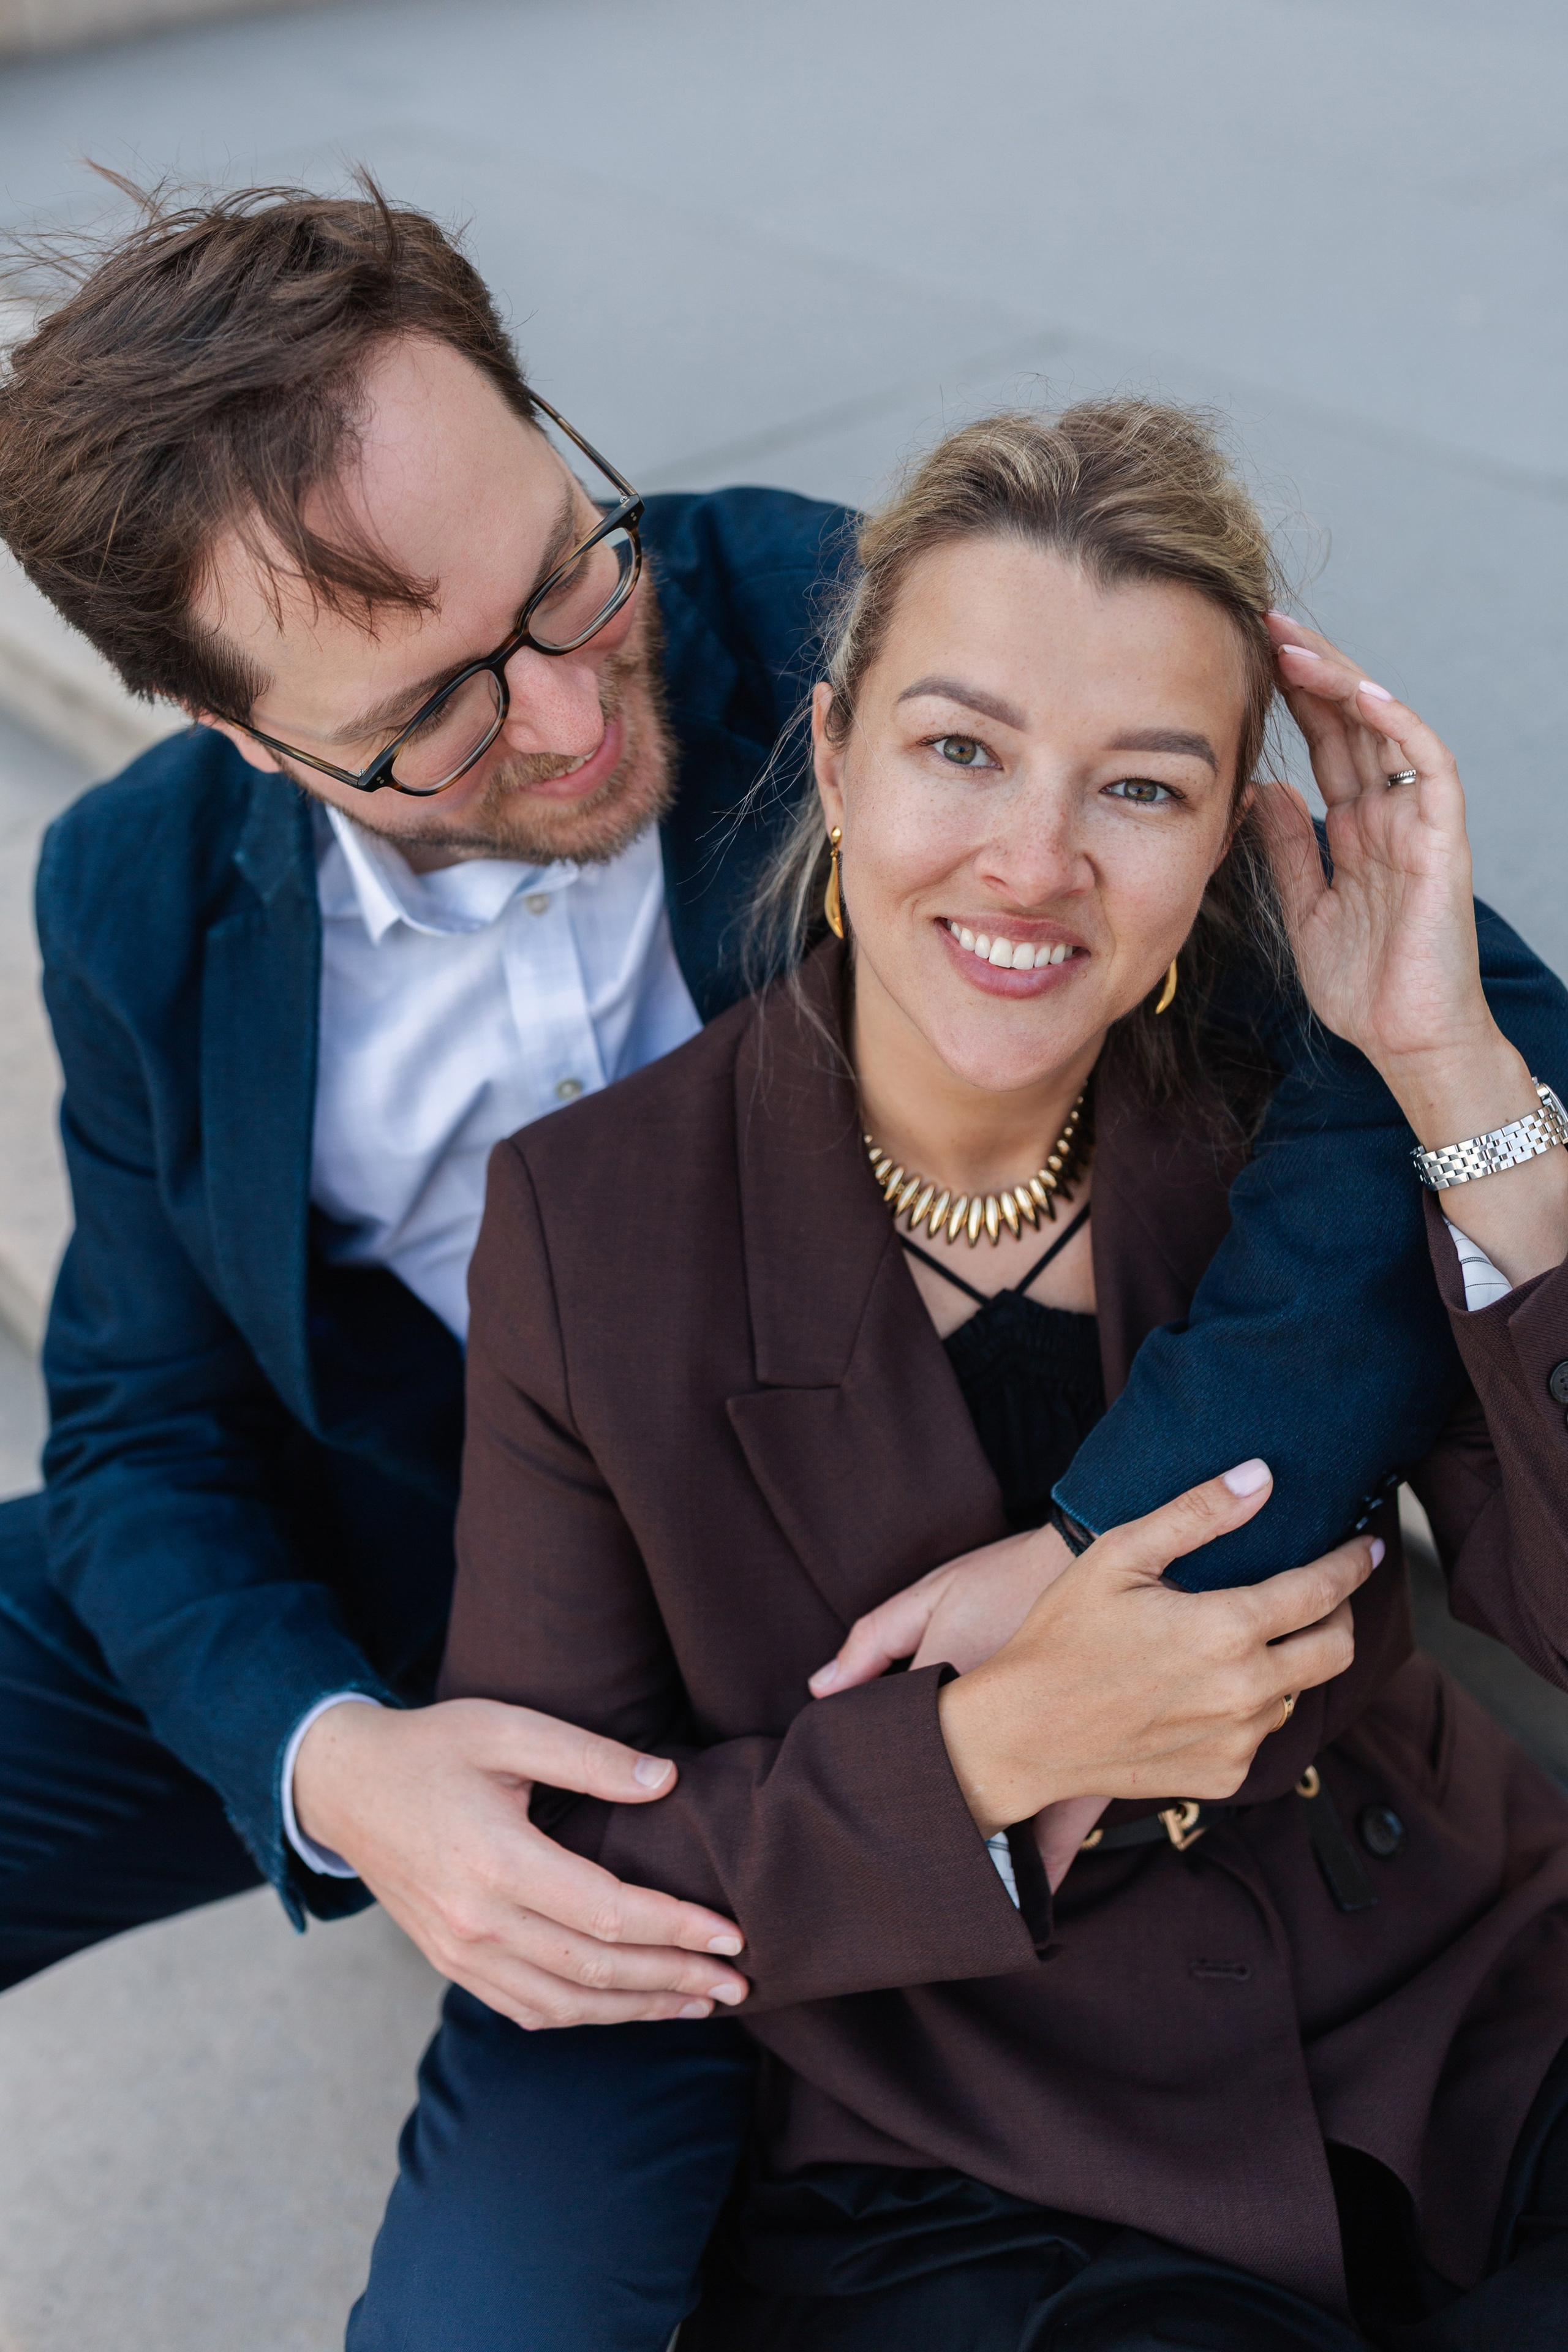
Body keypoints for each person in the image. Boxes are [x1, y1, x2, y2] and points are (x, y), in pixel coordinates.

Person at [0, 178, 1558, 2345]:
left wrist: (1122, 1529)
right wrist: (332, 1760)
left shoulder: (872, 636)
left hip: (882, 1555)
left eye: (567, 576)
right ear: (244, 736)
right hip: (468, 1602)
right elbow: (145, 1423)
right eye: (437, 713)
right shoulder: (133, 894)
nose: (569, 714)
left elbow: (1441, 1023)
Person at [441, 402, 1568, 2348]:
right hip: (992, 2156)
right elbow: (575, 1846)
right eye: (961, 750)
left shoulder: (1307, 1108)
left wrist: (1451, 1068)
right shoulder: (591, 1223)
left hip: (1463, 2006)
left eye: (1141, 788)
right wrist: (989, 1756)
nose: (1034, 862)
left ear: (1225, 836)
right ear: (832, 757)